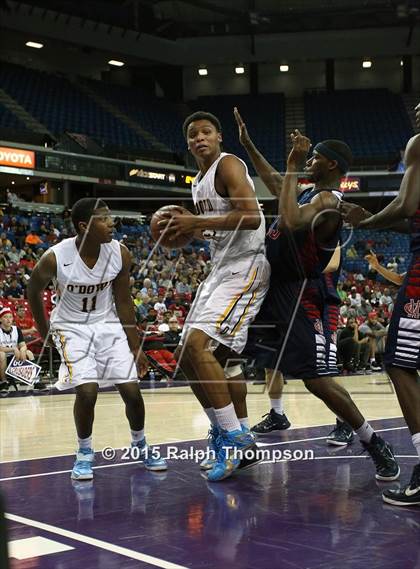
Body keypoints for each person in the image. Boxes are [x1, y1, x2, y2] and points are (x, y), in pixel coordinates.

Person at [235, 108, 399, 478]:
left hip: (299, 296)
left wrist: (294, 164)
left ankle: (373, 441)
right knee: (229, 353)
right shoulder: (309, 191)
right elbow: (276, 182)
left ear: (331, 164)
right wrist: (249, 146)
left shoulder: (329, 202)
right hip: (269, 288)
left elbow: (291, 220)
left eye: (314, 156)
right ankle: (235, 437)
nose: (308, 160)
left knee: (316, 379)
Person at [158, 111, 270, 482]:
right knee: (184, 356)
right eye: (193, 134)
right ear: (188, 143)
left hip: (246, 266)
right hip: (220, 270)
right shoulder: (198, 181)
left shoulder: (229, 165)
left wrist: (196, 222)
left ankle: (238, 439)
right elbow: (214, 226)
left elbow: (252, 216)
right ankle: (225, 435)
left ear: (220, 137)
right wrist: (188, 228)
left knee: (198, 347)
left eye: (206, 131)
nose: (200, 138)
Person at [27, 198, 167, 480]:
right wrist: (45, 333)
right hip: (70, 327)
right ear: (84, 226)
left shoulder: (120, 253)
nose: (112, 223)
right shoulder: (56, 257)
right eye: (104, 219)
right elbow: (32, 290)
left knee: (132, 391)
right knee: (87, 391)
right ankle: (83, 453)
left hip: (108, 324)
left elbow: (124, 301)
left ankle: (140, 444)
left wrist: (135, 347)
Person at [341, 126, 420, 505]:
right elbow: (412, 218)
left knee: (399, 362)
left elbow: (405, 206)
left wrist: (365, 220)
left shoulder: (418, 144)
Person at [0, 307, 41, 396]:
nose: (8, 319)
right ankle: (4, 382)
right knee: (1, 354)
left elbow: (22, 345)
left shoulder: (16, 329)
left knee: (28, 353)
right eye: (5, 317)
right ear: (0, 319)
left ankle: (36, 381)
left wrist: (22, 350)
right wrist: (14, 349)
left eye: (10, 317)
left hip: (15, 356)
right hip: (3, 356)